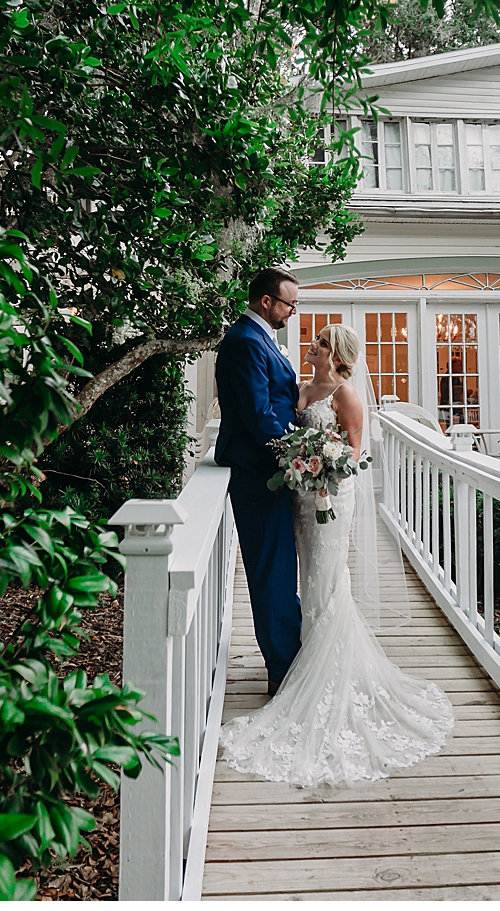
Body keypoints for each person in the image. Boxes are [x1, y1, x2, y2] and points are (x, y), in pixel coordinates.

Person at [220, 323, 453, 787]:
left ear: (338, 352)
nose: (313, 344)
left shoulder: (346, 394)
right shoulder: (304, 388)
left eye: (322, 342)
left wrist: (323, 472)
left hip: (330, 498)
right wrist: (300, 467)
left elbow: (352, 455)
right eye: (316, 338)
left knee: (327, 582)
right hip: (300, 498)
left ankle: (326, 675)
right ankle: (303, 663)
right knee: (305, 580)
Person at [214, 269, 305, 694]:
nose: (292, 311)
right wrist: (298, 452)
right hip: (258, 473)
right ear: (266, 302)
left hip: (270, 469)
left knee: (280, 568)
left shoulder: (260, 338)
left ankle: (288, 657)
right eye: (289, 303)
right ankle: (281, 669)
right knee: (270, 570)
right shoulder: (244, 342)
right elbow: (258, 414)